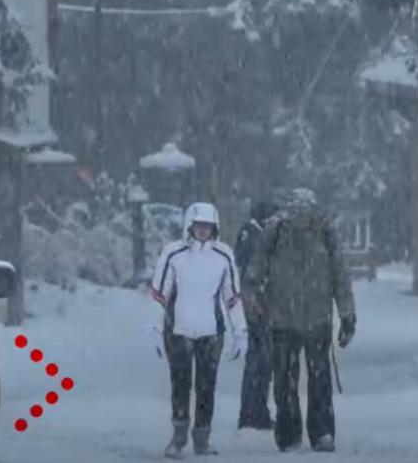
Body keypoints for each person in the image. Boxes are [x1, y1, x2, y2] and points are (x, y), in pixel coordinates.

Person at [249, 188, 355, 453]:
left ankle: (288, 434)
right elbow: (340, 276)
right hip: (318, 317)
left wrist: (257, 311)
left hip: (282, 318)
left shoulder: (274, 229)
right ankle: (322, 433)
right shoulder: (324, 228)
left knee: (285, 378)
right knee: (320, 379)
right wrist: (347, 314)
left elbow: (254, 274)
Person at [147, 202, 248, 458]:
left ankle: (202, 436)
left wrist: (241, 331)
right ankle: (179, 435)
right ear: (189, 226)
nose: (203, 231)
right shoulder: (173, 254)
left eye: (208, 226)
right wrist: (154, 329)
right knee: (180, 384)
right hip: (178, 330)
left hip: (211, 332)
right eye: (198, 226)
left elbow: (232, 297)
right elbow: (159, 295)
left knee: (206, 386)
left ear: (215, 228)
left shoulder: (224, 255)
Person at [234, 198, 279, 430]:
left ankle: (256, 411)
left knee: (262, 362)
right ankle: (252, 413)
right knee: (258, 361)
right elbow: (247, 272)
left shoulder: (251, 234)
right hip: (255, 306)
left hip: (260, 304)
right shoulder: (251, 235)